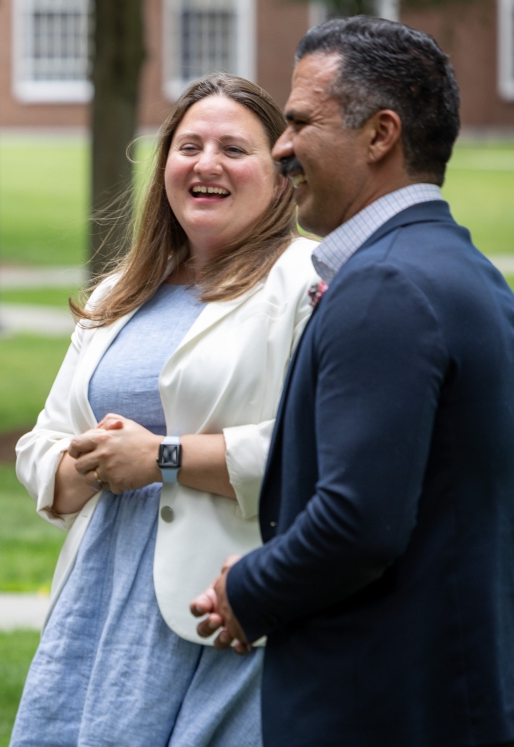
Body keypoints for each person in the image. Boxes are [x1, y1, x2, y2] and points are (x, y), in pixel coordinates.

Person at [190, 17, 514, 747]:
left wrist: (247, 589)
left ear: (380, 135)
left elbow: (357, 522)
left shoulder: (386, 286)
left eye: (301, 122)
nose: (281, 146)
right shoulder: (469, 275)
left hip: (380, 706)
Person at [9, 74, 320, 746]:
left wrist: (160, 459)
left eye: (234, 149)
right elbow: (42, 443)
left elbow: (317, 447)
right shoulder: (125, 287)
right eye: (189, 146)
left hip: (228, 604)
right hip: (98, 595)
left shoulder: (307, 279)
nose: (206, 164)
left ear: (281, 171)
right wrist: (94, 463)